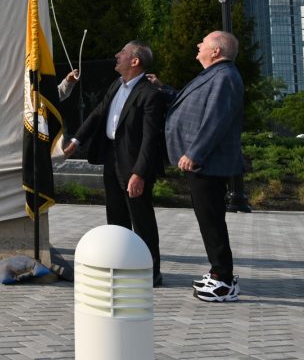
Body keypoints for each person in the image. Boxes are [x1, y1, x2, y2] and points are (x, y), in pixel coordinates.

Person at [63, 41, 167, 286]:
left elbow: (151, 139)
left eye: (122, 52)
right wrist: (75, 142)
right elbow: (98, 113)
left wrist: (139, 173)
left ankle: (150, 272)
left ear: (135, 61)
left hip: (134, 165)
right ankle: (122, 264)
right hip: (112, 158)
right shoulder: (116, 85)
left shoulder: (150, 93)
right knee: (116, 217)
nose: (116, 55)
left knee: (141, 220)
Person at [160, 30, 245, 303]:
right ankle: (219, 272)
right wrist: (163, 88)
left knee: (211, 220)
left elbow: (216, 120)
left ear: (217, 51)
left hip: (208, 162)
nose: (198, 44)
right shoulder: (215, 75)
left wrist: (195, 153)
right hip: (205, 162)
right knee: (208, 219)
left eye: (204, 42)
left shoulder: (225, 77)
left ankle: (223, 280)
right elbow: (193, 104)